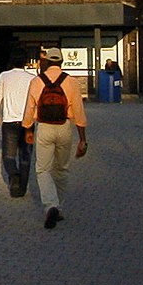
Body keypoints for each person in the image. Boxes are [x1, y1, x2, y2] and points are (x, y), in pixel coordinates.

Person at [21, 47, 87, 229]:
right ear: (62, 62)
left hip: (44, 128)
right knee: (62, 168)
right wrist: (82, 139)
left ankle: (51, 204)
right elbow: (79, 112)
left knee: (42, 169)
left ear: (47, 62)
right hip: (64, 127)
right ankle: (59, 206)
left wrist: (27, 129)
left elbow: (29, 108)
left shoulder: (36, 81)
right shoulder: (71, 82)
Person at [0, 50, 36, 197]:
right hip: (27, 121)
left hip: (10, 121)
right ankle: (21, 188)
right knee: (26, 154)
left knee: (9, 155)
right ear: (25, 62)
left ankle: (13, 175)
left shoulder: (4, 76)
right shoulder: (32, 78)